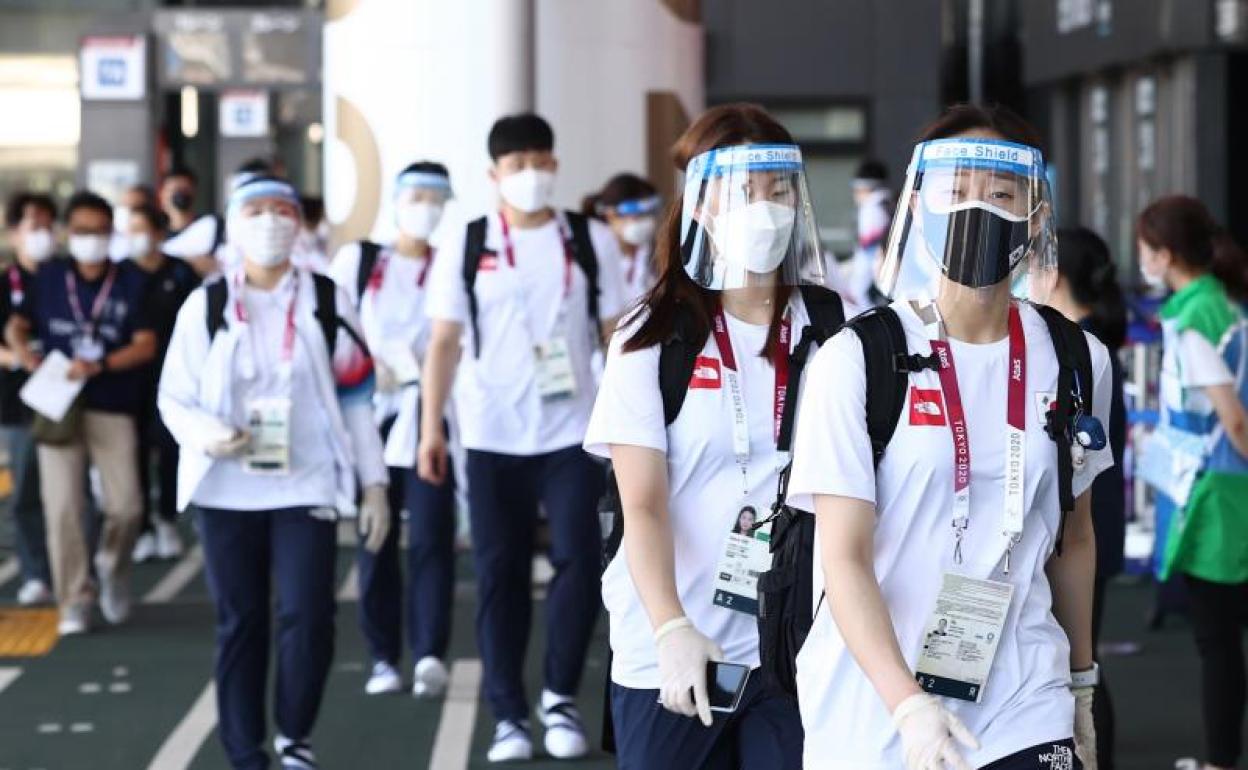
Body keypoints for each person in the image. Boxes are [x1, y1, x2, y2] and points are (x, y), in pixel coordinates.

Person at [788, 104, 1113, 769]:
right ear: (920, 204)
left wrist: (1082, 684)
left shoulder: (1076, 357)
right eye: (955, 191)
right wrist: (906, 702)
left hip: (1024, 691)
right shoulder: (858, 358)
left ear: (1036, 214)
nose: (977, 210)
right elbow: (843, 556)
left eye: (1000, 194)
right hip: (874, 706)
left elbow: (1074, 537)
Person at [583, 102, 841, 769]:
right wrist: (672, 627)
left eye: (778, 189)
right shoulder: (654, 335)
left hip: (793, 641)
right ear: (700, 204)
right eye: (742, 190)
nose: (765, 207)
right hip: (677, 644)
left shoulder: (832, 326)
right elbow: (640, 501)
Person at [158, 176, 390, 770]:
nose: (270, 221)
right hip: (226, 487)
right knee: (241, 621)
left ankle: (294, 736)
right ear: (234, 224)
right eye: (256, 210)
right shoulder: (206, 303)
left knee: (308, 614)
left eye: (282, 210)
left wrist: (374, 483)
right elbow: (173, 397)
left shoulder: (326, 297)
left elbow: (358, 393)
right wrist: (209, 435)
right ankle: (244, 751)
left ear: (299, 221)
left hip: (304, 479)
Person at [418, 112, 626, 762]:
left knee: (581, 563)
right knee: (498, 573)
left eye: (540, 162)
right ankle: (509, 713)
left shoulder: (589, 239)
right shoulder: (468, 239)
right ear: (494, 175)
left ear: (555, 165)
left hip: (573, 432)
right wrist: (432, 428)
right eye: (517, 166)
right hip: (490, 433)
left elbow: (617, 334)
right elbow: (445, 341)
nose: (531, 175)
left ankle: (559, 697)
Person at [328, 161, 458, 698]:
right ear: (398, 202)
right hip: (371, 418)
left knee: (431, 538)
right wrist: (364, 367)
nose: (424, 206)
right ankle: (383, 654)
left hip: (431, 420)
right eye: (416, 195)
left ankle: (429, 651)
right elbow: (331, 328)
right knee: (374, 539)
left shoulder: (452, 265)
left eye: (436, 197)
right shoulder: (358, 261)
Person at [5, 191, 158, 636]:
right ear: (68, 234)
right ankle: (75, 597)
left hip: (113, 401)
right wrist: (23, 354)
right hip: (59, 405)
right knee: (64, 508)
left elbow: (145, 344)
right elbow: (18, 324)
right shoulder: (50, 277)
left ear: (112, 234)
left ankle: (113, 563)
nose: (90, 239)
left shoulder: (130, 280)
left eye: (99, 231)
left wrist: (102, 365)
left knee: (126, 504)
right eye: (82, 231)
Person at [1137, 196, 1248, 770]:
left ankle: (1222, 761)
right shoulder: (1213, 304)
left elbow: (1232, 418)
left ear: (1165, 254)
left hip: (1217, 494)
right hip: (1224, 487)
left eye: (1145, 249)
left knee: (1217, 640)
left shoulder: (1197, 313)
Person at [1049, 226, 1128, 770]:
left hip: (1083, 526)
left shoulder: (1081, 350)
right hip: (1092, 520)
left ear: (1052, 273)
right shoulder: (1088, 339)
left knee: (1083, 660)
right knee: (1083, 655)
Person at [124, 204, 200, 563]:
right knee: (133, 451)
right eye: (131, 229)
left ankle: (166, 518)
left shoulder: (181, 272)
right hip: (128, 377)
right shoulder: (121, 274)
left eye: (143, 228)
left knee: (170, 448)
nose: (137, 236)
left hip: (174, 375)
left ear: (158, 232)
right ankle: (141, 529)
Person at [0, 191, 55, 606]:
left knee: (75, 495)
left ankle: (80, 570)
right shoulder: (5, 283)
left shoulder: (66, 277)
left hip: (67, 398)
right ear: (14, 231)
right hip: (17, 400)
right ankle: (36, 572)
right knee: (25, 492)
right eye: (32, 224)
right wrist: (16, 355)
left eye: (47, 224)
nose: (41, 233)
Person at [583, 173, 661, 306]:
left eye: (649, 213)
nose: (646, 221)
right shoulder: (590, 256)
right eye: (638, 214)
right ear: (610, 214)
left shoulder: (654, 254)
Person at [845, 159, 892, 311]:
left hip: (871, 284)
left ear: (863, 188)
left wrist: (855, 289)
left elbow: (868, 256)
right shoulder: (888, 203)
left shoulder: (871, 209)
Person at [160, 166, 223, 277]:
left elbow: (219, 263)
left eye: (185, 190)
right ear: (162, 194)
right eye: (174, 190)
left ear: (194, 192)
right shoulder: (156, 232)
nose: (180, 195)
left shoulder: (212, 225)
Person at [110, 184, 157, 262]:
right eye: (124, 205)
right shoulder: (110, 239)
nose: (127, 212)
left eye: (134, 208)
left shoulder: (156, 241)